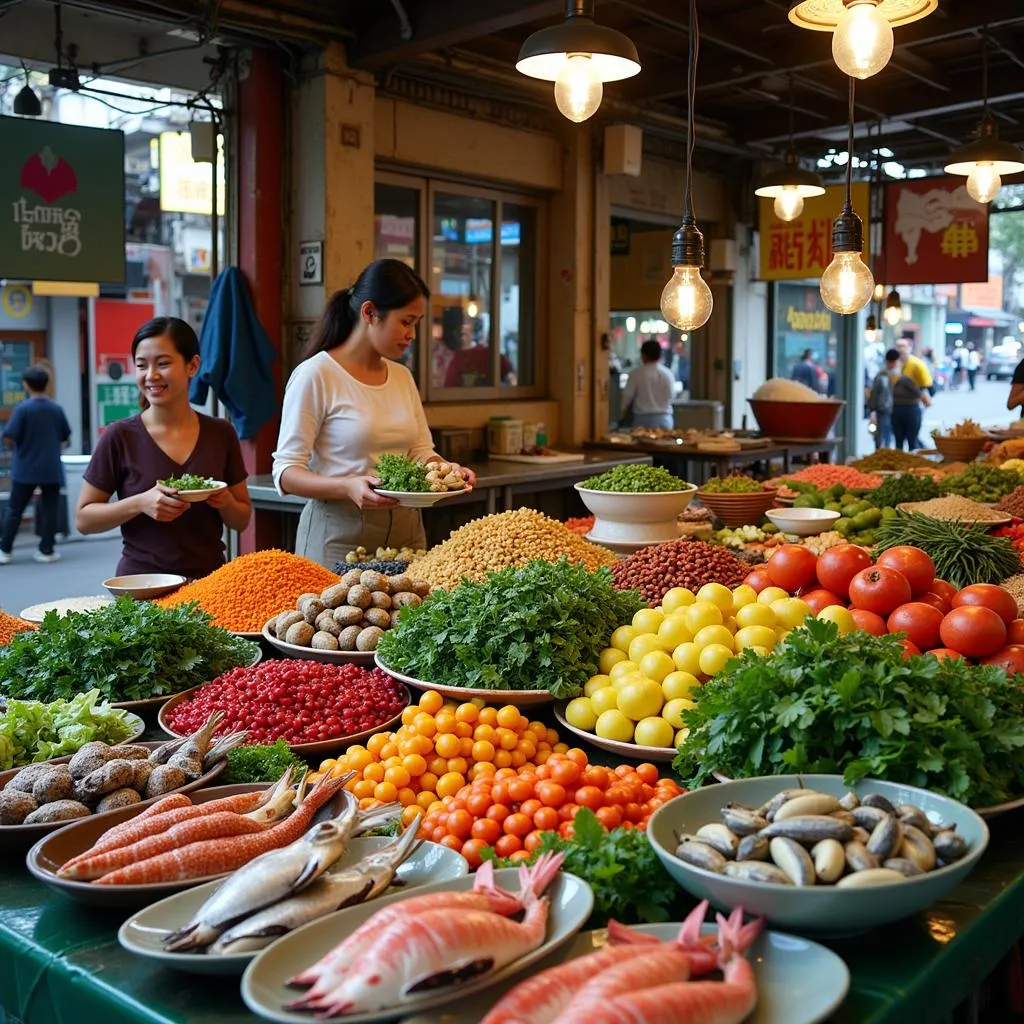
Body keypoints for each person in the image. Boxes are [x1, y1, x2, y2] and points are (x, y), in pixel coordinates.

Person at [272, 259, 475, 568]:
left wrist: (447, 470)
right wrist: (347, 485)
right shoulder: (316, 374)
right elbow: (286, 473)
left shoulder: (402, 376)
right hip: (339, 536)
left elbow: (420, 451)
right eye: (406, 322)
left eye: (416, 323)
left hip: (408, 532)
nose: (412, 334)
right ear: (369, 313)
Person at [76, 317, 252, 578]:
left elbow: (241, 519)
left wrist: (224, 500)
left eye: (163, 363)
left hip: (210, 584)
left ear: (192, 365)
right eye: (141, 365)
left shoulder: (221, 433)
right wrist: (139, 503)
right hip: (140, 587)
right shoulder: (120, 436)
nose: (151, 375)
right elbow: (83, 520)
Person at [0, 365, 71, 565]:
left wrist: (18, 448)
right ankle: (46, 550)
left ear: (26, 385)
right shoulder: (56, 409)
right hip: (51, 468)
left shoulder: (23, 409)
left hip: (25, 468)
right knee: (50, 509)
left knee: (15, 509)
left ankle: (5, 550)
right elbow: (65, 436)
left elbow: (8, 436)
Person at [441, 306, 516, 387]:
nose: (462, 328)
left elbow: (512, 377)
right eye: (457, 326)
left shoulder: (487, 354)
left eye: (465, 323)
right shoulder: (447, 358)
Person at [622, 339, 675, 429]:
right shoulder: (668, 374)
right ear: (660, 355)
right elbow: (671, 396)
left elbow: (627, 397)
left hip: (643, 420)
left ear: (643, 355)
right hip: (665, 419)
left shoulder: (636, 373)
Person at [867, 349, 898, 450]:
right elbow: (874, 395)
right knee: (882, 436)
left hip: (888, 410)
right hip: (883, 411)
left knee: (885, 436)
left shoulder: (891, 375)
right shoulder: (883, 377)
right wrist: (873, 411)